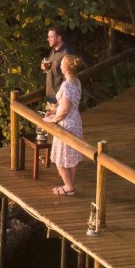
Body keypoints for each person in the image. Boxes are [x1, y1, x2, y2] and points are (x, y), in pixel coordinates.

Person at [48, 54, 86, 196]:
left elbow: (64, 109)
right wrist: (54, 110)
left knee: (60, 157)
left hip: (67, 123)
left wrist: (54, 119)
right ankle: (69, 185)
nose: (60, 65)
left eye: (62, 63)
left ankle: (68, 187)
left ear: (67, 67)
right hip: (76, 121)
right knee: (71, 155)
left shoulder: (66, 85)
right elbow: (66, 103)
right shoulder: (76, 81)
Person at [39, 26, 79, 104]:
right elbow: (54, 70)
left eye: (51, 37)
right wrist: (45, 68)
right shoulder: (53, 50)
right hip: (49, 96)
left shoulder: (67, 53)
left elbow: (69, 76)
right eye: (48, 37)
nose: (48, 39)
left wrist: (61, 100)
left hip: (59, 99)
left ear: (58, 38)